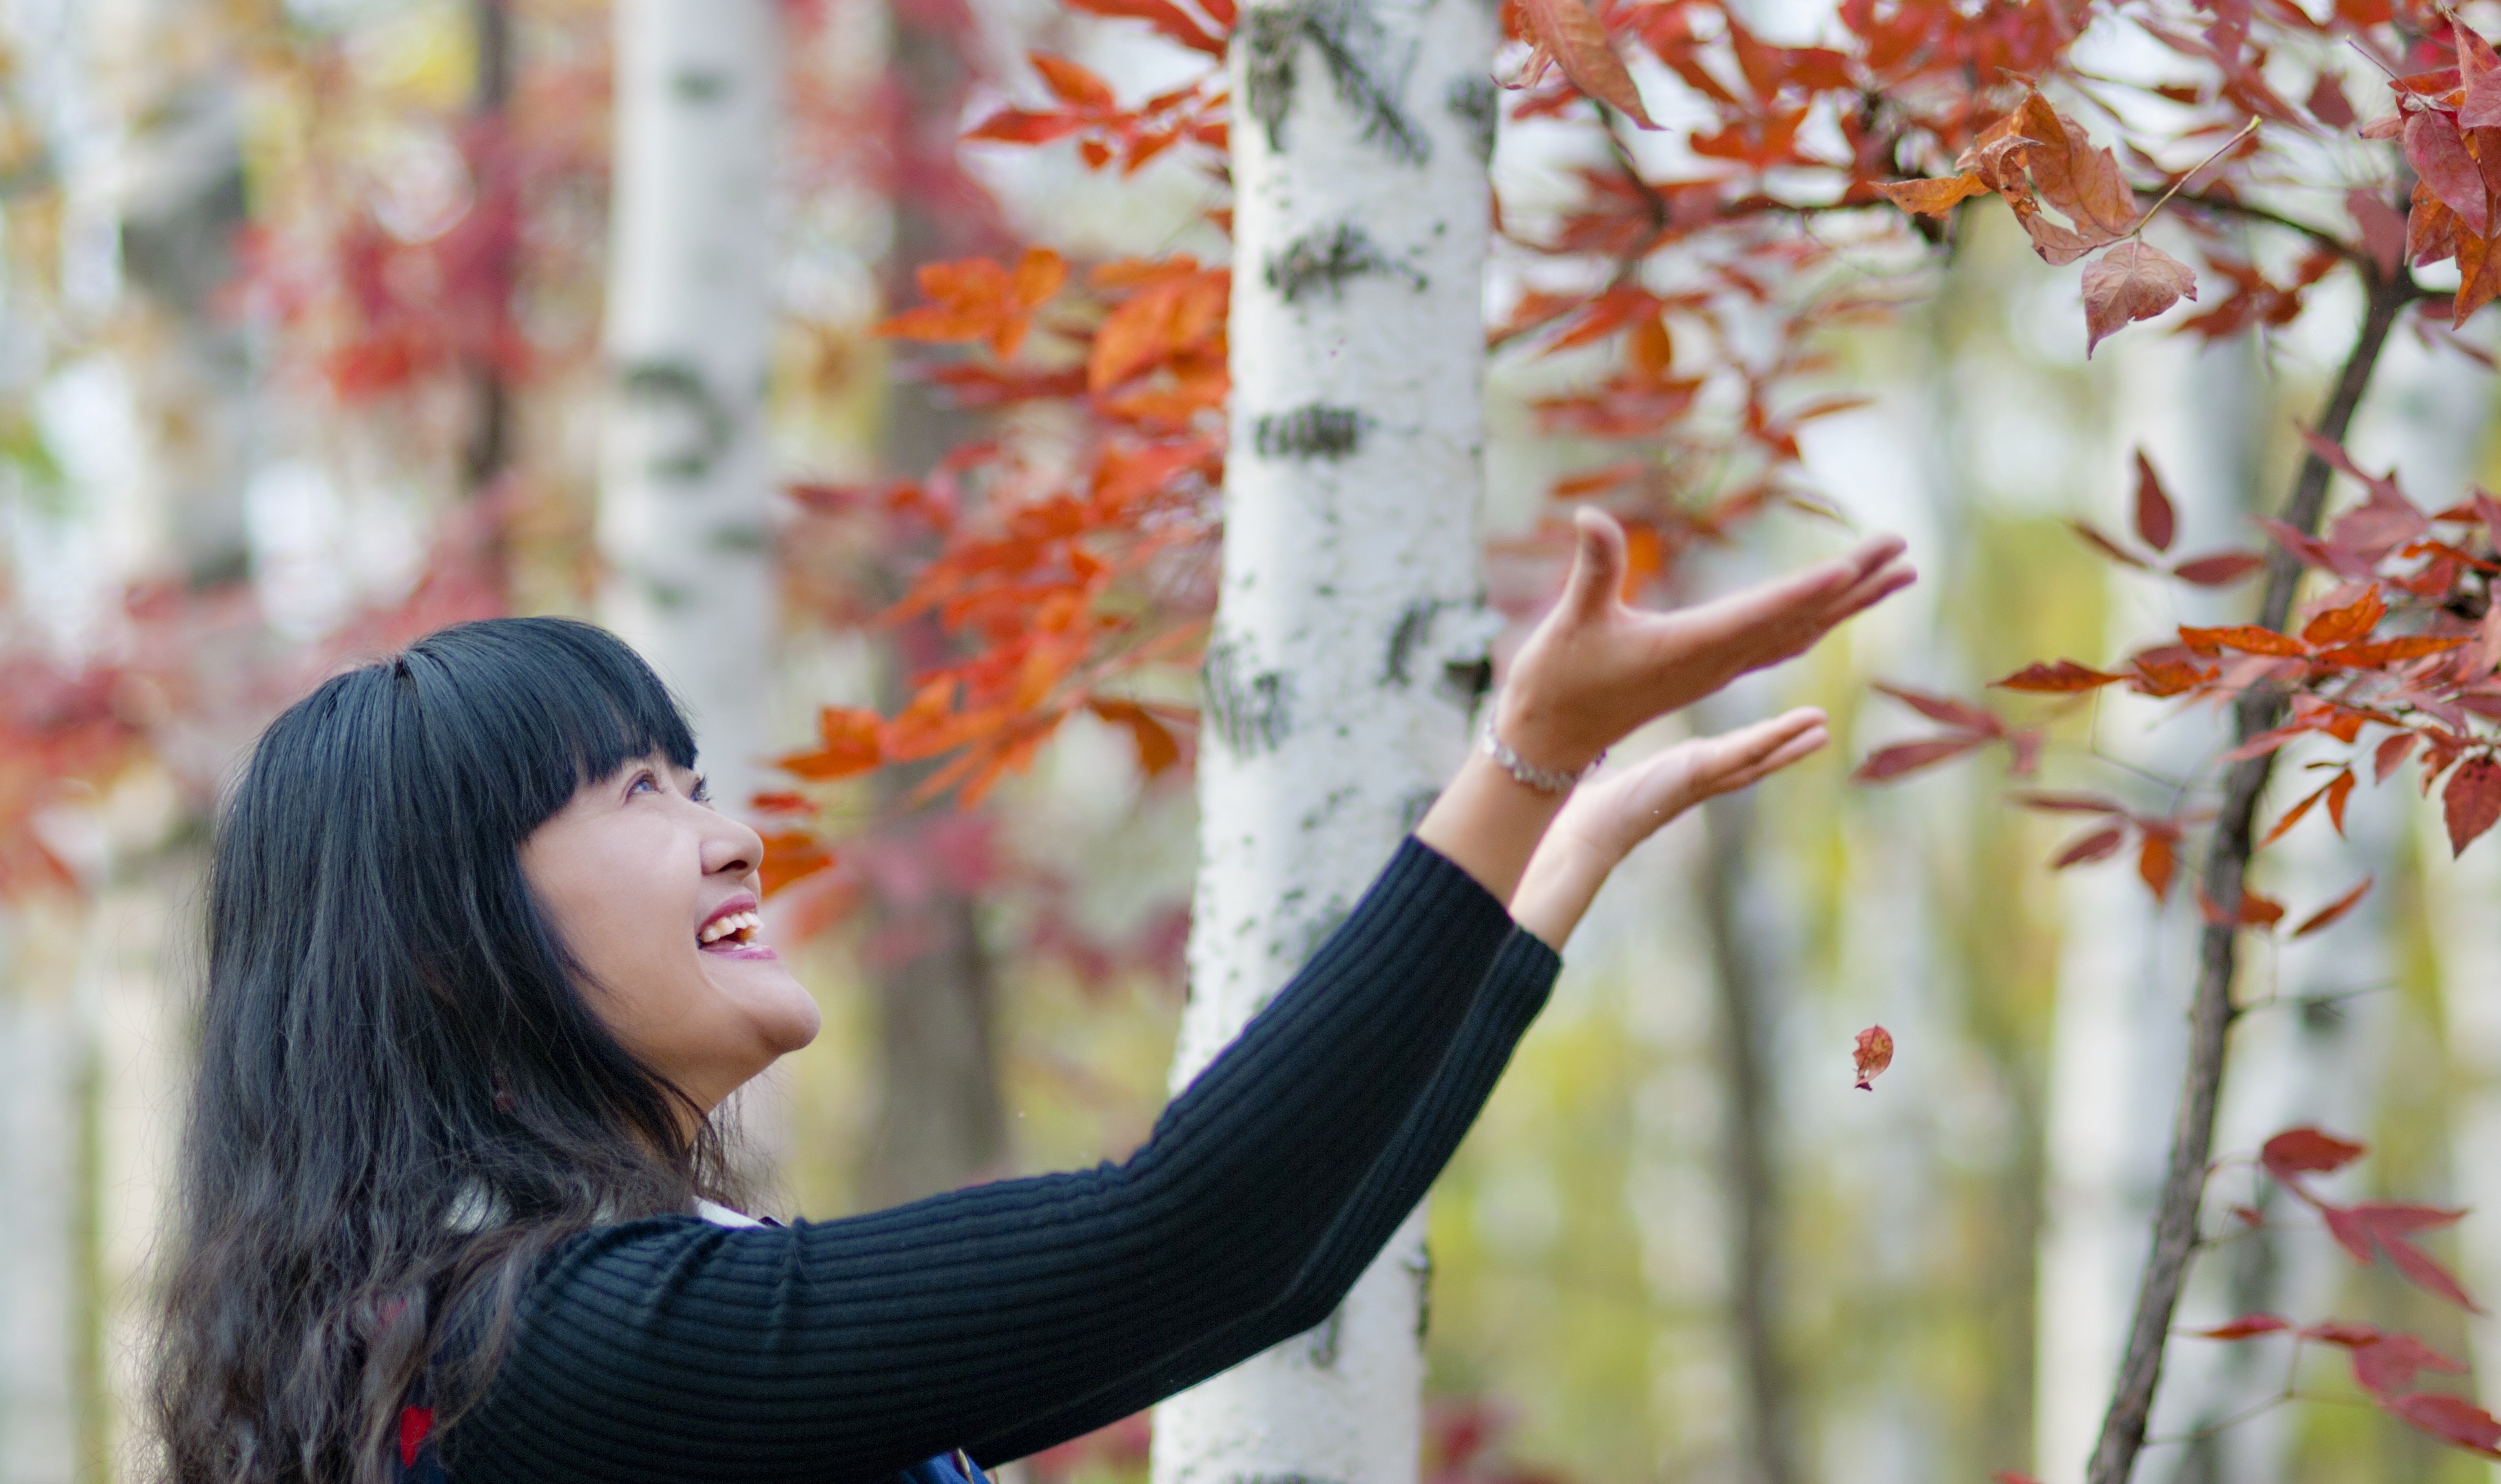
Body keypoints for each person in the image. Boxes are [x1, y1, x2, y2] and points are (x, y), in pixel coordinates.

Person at [150, 509, 1911, 1484]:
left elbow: (1264, 1271)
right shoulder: (550, 1358)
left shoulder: (504, 1336)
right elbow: (1184, 1243)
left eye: (696, 783)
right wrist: (1519, 763)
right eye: (640, 797)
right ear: (450, 946)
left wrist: (1539, 885)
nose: (737, 837)